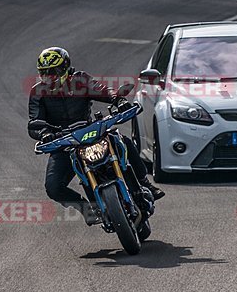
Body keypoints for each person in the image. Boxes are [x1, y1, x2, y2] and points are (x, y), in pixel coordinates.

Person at [27, 46, 164, 225]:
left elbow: (103, 90)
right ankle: (87, 208)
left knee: (122, 140)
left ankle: (145, 184)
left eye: (53, 72)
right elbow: (34, 123)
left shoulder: (80, 80)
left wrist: (118, 99)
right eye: (44, 73)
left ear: (64, 68)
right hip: (64, 143)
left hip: (91, 132)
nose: (48, 77)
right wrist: (44, 133)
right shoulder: (38, 92)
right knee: (53, 187)